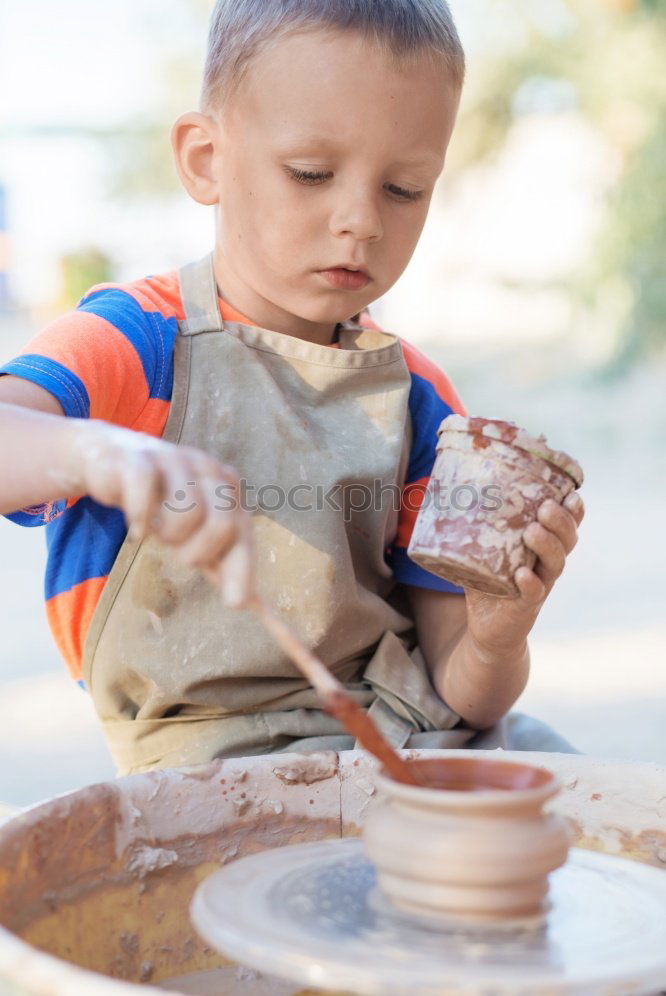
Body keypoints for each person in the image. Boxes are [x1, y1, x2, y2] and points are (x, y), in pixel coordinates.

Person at [0, 0, 585, 775]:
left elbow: (469, 694)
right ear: (206, 159)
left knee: (567, 780)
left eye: (404, 188)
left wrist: (498, 634)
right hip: (213, 770)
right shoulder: (136, 344)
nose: (360, 220)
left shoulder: (417, 398)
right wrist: (99, 454)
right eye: (311, 174)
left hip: (411, 736)